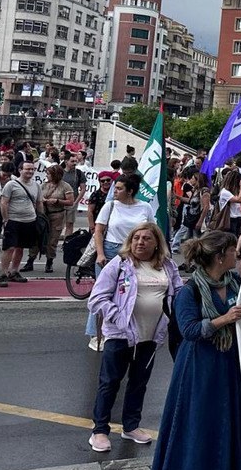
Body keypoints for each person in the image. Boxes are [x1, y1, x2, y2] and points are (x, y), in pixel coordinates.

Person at [148, 231, 241, 470]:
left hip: (229, 362)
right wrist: (223, 320)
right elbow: (190, 330)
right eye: (233, 251)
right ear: (220, 256)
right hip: (198, 366)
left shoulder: (235, 283)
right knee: (197, 420)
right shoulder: (190, 291)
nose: (236, 255)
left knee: (229, 418)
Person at [86, 222, 182, 452]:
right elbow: (97, 299)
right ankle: (99, 430)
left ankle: (130, 426)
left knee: (139, 383)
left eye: (146, 238)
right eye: (137, 238)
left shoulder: (168, 267)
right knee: (109, 383)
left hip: (150, 338)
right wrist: (119, 318)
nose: (140, 242)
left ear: (157, 242)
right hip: (120, 336)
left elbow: (178, 294)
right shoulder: (119, 264)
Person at [88, 173, 157, 347]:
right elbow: (98, 231)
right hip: (112, 251)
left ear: (130, 191)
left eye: (119, 188)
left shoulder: (145, 207)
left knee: (130, 292)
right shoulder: (110, 206)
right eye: (115, 188)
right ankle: (96, 334)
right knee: (103, 293)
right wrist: (100, 253)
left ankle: (128, 328)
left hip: (136, 254)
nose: (115, 191)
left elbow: (152, 230)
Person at [0, 160, 44, 287]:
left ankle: (14, 271)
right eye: (27, 169)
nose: (30, 171)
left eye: (32, 169)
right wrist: (5, 219)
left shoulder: (36, 186)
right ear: (20, 170)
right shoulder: (11, 185)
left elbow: (39, 203)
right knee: (9, 248)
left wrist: (41, 218)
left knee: (20, 247)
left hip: (29, 221)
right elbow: (4, 202)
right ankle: (3, 274)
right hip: (13, 221)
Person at [33, 162, 74, 274]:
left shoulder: (65, 186)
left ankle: (49, 261)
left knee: (53, 239)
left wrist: (57, 201)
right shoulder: (44, 185)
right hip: (43, 214)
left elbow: (70, 201)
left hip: (57, 214)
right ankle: (30, 260)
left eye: (49, 174)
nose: (47, 176)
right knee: (37, 236)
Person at [216, 169, 241, 236]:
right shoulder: (225, 192)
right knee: (231, 237)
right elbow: (238, 200)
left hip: (238, 216)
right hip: (230, 218)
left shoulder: (235, 191)